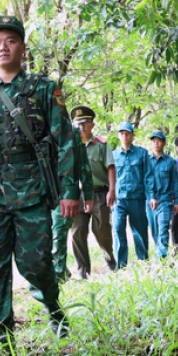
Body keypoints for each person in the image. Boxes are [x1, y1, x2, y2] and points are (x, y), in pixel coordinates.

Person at [0, 15, 77, 356]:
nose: (2, 47)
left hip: (32, 190)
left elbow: (65, 142)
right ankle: (1, 340)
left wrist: (68, 190)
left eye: (10, 41)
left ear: (22, 47)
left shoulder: (42, 89)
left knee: (35, 263)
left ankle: (52, 305)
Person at [68, 106, 117, 278]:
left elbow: (110, 167)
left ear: (92, 125)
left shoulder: (101, 145)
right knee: (77, 232)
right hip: (77, 196)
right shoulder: (69, 146)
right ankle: (83, 271)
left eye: (85, 123)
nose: (81, 126)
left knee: (102, 230)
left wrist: (112, 190)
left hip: (99, 194)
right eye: (78, 123)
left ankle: (109, 255)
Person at [52, 122, 94, 283]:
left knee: (59, 232)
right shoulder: (33, 126)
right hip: (37, 192)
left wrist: (88, 194)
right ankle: (58, 271)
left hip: (65, 192)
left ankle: (59, 274)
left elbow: (83, 164)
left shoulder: (72, 131)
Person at [112, 122, 155, 268]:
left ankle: (143, 263)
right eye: (122, 133)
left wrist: (151, 196)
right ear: (118, 135)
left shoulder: (142, 153)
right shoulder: (114, 155)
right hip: (119, 200)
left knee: (140, 230)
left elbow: (149, 176)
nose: (124, 136)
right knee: (118, 228)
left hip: (137, 198)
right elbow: (110, 177)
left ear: (132, 135)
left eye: (127, 133)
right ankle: (120, 266)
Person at [147, 131, 178, 258]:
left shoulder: (170, 162)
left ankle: (161, 257)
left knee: (163, 228)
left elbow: (176, 182)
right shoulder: (146, 161)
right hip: (150, 201)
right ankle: (158, 252)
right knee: (154, 230)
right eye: (153, 141)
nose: (156, 143)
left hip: (165, 200)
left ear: (164, 143)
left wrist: (177, 201)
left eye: (159, 141)